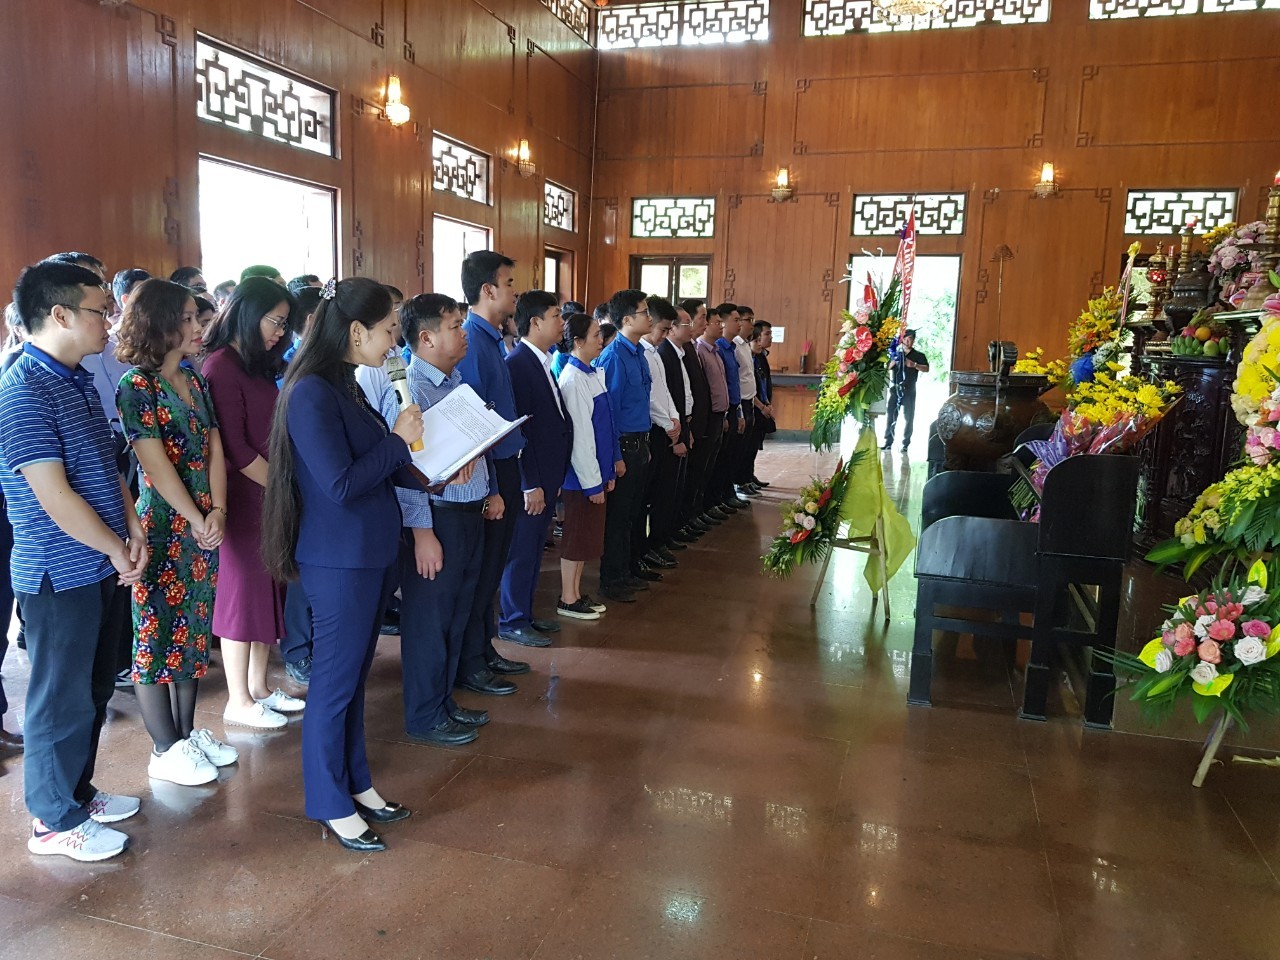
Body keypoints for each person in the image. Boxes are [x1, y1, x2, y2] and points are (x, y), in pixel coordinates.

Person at [262, 276, 424, 853]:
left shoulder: (346, 383)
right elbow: (339, 483)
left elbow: (373, 461)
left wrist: (427, 468)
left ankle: (357, 783)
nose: (394, 343)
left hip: (369, 551)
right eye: (389, 331)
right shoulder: (310, 392)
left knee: (353, 678)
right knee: (333, 685)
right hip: (339, 559)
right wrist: (399, 442)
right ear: (356, 330)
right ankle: (330, 802)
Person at [0, 260, 148, 861]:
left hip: (101, 563)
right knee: (58, 697)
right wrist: (116, 547)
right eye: (99, 311)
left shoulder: (77, 379)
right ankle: (52, 819)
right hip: (58, 571)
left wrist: (132, 528)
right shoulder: (23, 388)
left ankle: (77, 793)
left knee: (92, 689)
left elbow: (108, 468)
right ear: (59, 314)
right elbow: (54, 495)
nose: (109, 323)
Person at [114, 279, 236, 785]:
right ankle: (164, 748)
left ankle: (186, 736)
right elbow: (154, 465)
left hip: (203, 525)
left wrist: (219, 511)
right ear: (159, 324)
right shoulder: (136, 386)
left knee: (192, 629)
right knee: (155, 634)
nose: (197, 327)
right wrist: (195, 516)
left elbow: (215, 449)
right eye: (186, 318)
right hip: (163, 526)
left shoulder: (195, 379)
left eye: (196, 317)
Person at [381, 293, 488, 746]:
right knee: (430, 620)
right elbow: (406, 470)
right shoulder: (409, 389)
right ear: (425, 338)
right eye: (455, 326)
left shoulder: (454, 381)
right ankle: (424, 715)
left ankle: (444, 702)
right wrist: (422, 533)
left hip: (467, 511)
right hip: (437, 520)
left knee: (456, 614)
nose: (464, 334)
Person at [202, 277, 302, 729]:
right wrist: (281, 488)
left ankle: (259, 687)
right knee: (242, 594)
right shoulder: (220, 366)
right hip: (243, 495)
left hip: (270, 490)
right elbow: (234, 446)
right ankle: (237, 699)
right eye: (274, 321)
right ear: (246, 312)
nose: (280, 332)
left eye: (284, 324)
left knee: (268, 588)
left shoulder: (257, 364)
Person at [454, 251, 529, 696]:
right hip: (490, 470)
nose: (515, 292)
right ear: (488, 290)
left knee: (493, 566)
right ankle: (471, 661)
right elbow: (473, 426)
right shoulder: (473, 343)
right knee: (481, 574)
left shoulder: (493, 338)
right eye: (509, 283)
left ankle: (485, 647)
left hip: (504, 463)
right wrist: (493, 489)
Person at [499, 290, 572, 646]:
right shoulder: (518, 365)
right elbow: (521, 430)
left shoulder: (542, 360)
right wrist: (530, 483)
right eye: (556, 316)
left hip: (549, 473)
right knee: (522, 549)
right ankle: (512, 620)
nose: (562, 323)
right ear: (536, 322)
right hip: (533, 478)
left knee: (532, 549)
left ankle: (525, 613)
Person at [277, 283, 324, 687]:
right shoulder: (292, 367)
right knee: (300, 573)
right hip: (295, 476)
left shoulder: (318, 364)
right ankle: (296, 649)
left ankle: (311, 644)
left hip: (314, 477)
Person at [557, 312, 618, 613]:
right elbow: (580, 437)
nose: (601, 341)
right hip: (580, 477)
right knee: (577, 537)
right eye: (595, 335)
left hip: (595, 472)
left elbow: (605, 427)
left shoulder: (591, 374)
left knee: (587, 539)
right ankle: (567, 598)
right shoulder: (572, 379)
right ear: (578, 342)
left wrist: (610, 468)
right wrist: (593, 483)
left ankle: (577, 593)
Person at [596, 289, 653, 600]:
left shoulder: (638, 352)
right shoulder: (614, 356)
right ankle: (612, 578)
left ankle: (628, 569)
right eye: (645, 313)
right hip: (625, 447)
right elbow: (610, 412)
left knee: (633, 512)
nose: (650, 318)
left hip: (640, 443)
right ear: (627, 320)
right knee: (617, 518)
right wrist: (616, 456)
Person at [640, 297, 683, 571]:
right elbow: (649, 399)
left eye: (669, 330)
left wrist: (675, 417)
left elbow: (664, 391)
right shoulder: (642, 353)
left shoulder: (654, 353)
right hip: (654, 430)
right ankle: (646, 548)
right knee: (649, 495)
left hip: (666, 427)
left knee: (663, 491)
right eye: (663, 330)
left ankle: (657, 542)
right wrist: (668, 424)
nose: (665, 335)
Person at [658, 303, 696, 548]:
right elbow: (664, 397)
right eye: (686, 323)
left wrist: (686, 429)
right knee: (666, 490)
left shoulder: (680, 352)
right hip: (670, 432)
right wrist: (676, 438)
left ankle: (672, 530)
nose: (691, 327)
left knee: (677, 487)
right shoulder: (664, 353)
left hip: (682, 425)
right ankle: (660, 538)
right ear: (671, 328)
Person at [693, 301, 731, 527]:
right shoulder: (700, 350)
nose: (720, 326)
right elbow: (703, 390)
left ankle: (706, 506)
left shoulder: (715, 352)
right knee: (700, 468)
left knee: (711, 466)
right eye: (716, 322)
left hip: (719, 416)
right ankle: (696, 510)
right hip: (707, 419)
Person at [711, 303, 748, 512]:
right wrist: (725, 414)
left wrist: (739, 411)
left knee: (730, 455)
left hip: (734, 407)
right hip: (724, 412)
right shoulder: (718, 348)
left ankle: (727, 494)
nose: (739, 324)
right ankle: (717, 498)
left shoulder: (731, 348)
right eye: (736, 320)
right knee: (721, 458)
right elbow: (720, 385)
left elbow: (734, 383)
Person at [883, 328, 929, 452]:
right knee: (891, 416)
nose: (908, 342)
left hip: (909, 389)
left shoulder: (918, 355)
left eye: (911, 339)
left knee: (909, 417)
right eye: (906, 339)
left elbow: (926, 368)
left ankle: (905, 444)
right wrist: (893, 362)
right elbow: (887, 367)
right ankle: (888, 442)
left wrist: (914, 365)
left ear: (913, 341)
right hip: (895, 389)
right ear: (902, 340)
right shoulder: (896, 353)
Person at [732, 307, 760, 498]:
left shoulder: (745, 345)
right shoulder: (734, 345)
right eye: (748, 320)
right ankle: (739, 482)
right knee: (738, 448)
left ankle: (745, 479)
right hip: (740, 402)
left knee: (748, 445)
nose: (752, 324)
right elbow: (735, 379)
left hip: (749, 401)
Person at [747, 319, 775, 490]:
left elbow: (764, 383)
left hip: (763, 404)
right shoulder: (749, 358)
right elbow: (749, 387)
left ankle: (750, 475)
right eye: (767, 334)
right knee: (748, 446)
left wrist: (768, 403)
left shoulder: (761, 357)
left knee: (755, 445)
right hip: (754, 407)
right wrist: (761, 406)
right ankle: (744, 479)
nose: (770, 338)